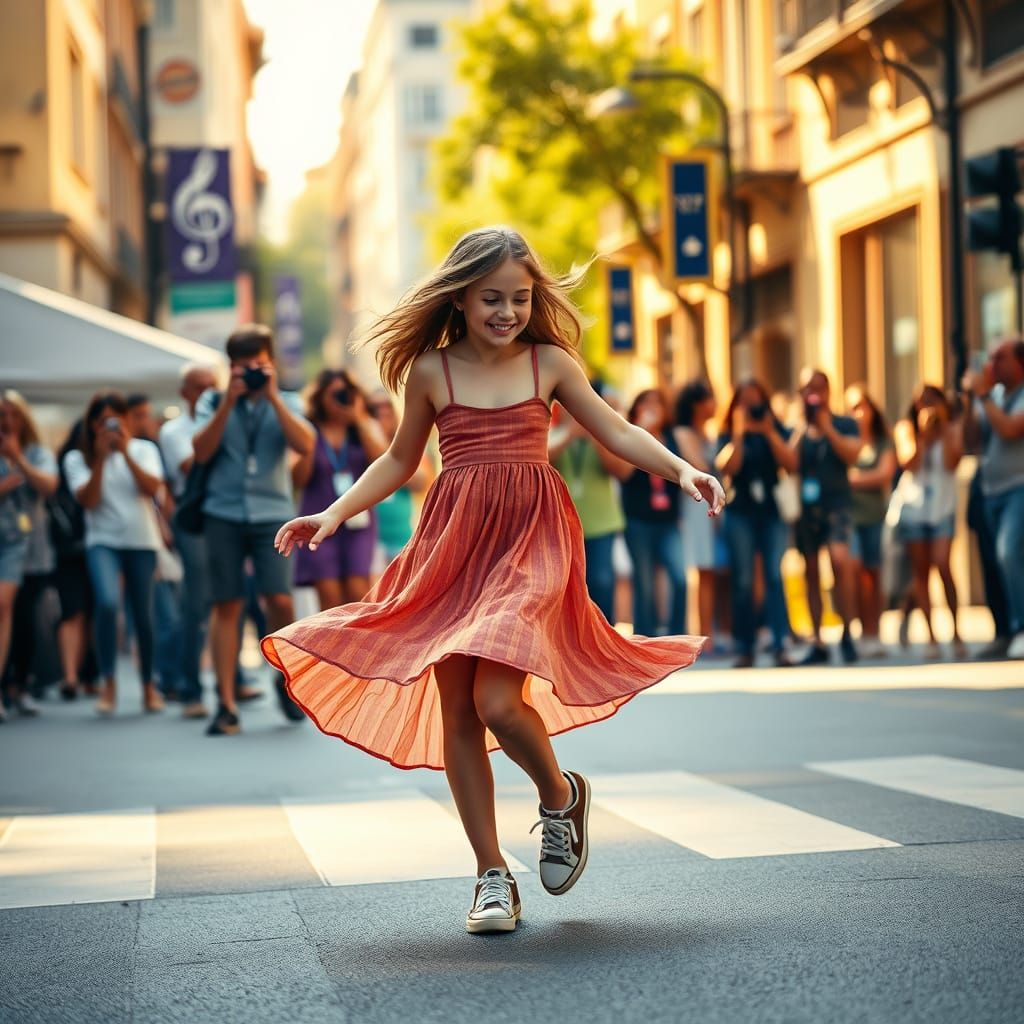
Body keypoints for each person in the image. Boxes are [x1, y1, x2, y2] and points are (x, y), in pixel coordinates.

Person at [262, 227, 724, 934]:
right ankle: (490, 875)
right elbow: (396, 460)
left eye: (518, 297)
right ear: (461, 297)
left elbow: (618, 431)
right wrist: (331, 513)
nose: (506, 311)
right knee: (458, 711)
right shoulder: (430, 371)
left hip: (533, 541)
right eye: (490, 299)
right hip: (453, 544)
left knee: (500, 703)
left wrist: (682, 469)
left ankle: (560, 796)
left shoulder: (550, 363)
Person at [191, 324, 316, 735]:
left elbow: (305, 445)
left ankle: (284, 679)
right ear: (231, 368)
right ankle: (225, 704)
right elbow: (201, 450)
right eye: (244, 367)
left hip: (271, 514)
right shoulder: (212, 402)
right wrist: (229, 401)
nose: (252, 373)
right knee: (225, 604)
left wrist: (273, 397)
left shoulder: (287, 401)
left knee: (279, 600)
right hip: (223, 513)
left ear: (272, 364)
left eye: (259, 365)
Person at [63, 392, 166, 715]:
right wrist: (101, 459)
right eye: (104, 421)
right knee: (106, 603)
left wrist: (124, 453)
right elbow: (88, 501)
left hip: (141, 541)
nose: (110, 427)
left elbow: (152, 489)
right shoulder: (77, 458)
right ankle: (109, 683)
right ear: (92, 425)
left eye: (116, 420)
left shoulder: (143, 449)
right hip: (102, 541)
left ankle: (149, 685)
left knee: (143, 616)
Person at [716, 379, 797, 668]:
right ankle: (745, 646)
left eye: (756, 401)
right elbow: (727, 466)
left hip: (771, 511)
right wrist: (739, 434)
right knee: (744, 579)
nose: (752, 408)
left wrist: (769, 432)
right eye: (745, 401)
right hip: (740, 512)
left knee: (775, 576)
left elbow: (791, 463)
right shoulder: (728, 431)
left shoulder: (774, 429)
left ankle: (780, 643)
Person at [292, 370, 388, 610]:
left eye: (347, 393)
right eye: (335, 394)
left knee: (358, 591)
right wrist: (310, 441)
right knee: (329, 595)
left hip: (357, 521)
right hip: (318, 519)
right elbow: (298, 479)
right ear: (321, 396)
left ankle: (357, 647)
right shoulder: (308, 429)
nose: (341, 399)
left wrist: (359, 419)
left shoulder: (364, 426)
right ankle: (331, 647)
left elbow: (385, 461)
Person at [158, 364, 219, 718]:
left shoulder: (225, 420)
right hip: (194, 518)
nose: (207, 393)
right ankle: (188, 685)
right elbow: (191, 466)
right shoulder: (173, 430)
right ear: (184, 392)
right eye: (199, 387)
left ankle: (233, 677)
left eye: (212, 386)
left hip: (225, 516)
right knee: (197, 602)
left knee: (231, 596)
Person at [792, 368, 863, 665]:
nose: (814, 394)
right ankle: (818, 640)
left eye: (819, 387)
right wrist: (802, 427)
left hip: (837, 505)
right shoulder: (796, 429)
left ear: (829, 391)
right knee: (810, 572)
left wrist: (827, 427)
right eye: (808, 388)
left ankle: (847, 633)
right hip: (806, 510)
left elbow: (853, 454)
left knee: (839, 562)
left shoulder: (844, 423)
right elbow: (789, 461)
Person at [890, 385, 964, 659]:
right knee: (921, 573)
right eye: (921, 403)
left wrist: (942, 431)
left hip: (942, 507)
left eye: (933, 402)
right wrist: (922, 436)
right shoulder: (906, 428)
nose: (928, 409)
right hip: (914, 509)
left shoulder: (952, 428)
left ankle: (956, 632)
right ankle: (931, 637)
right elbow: (909, 463)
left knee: (943, 564)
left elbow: (952, 463)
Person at [548, 380, 631, 624]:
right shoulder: (552, 435)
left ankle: (605, 639)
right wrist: (569, 435)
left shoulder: (601, 437)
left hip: (601, 524)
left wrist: (594, 431)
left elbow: (621, 471)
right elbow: (542, 459)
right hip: (561, 527)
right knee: (563, 589)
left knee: (602, 583)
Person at [963, 337, 1024, 659]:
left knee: (1009, 553)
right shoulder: (993, 396)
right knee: (991, 560)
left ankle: (1021, 628)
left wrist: (983, 395)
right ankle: (1003, 631)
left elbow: (1011, 429)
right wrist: (970, 400)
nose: (992, 364)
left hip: (1019, 488)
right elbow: (970, 441)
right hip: (989, 491)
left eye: (1000, 357)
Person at [0, 391, 58, 718]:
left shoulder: (36, 452)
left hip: (31, 547)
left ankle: (19, 685)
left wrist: (17, 458)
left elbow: (49, 486)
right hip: (5, 543)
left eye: (13, 414)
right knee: (3, 608)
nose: (7, 421)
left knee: (23, 618)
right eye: (2, 415)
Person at [621, 389, 689, 638]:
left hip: (668, 521)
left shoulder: (671, 437)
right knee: (645, 582)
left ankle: (679, 637)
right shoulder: (627, 435)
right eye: (645, 403)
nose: (651, 409)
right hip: (638, 520)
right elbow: (623, 473)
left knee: (680, 577)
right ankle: (645, 639)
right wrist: (639, 432)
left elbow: (685, 469)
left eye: (656, 404)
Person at [845, 385, 897, 659]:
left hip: (874, 516)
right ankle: (857, 631)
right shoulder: (845, 438)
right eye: (852, 408)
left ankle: (873, 633)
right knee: (853, 571)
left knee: (873, 575)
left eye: (862, 406)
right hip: (849, 518)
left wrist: (853, 480)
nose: (858, 414)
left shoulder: (882, 441)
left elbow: (884, 474)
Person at [673, 380, 723, 647]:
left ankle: (709, 633)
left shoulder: (708, 434)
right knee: (699, 569)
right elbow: (701, 469)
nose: (714, 403)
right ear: (696, 404)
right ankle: (701, 636)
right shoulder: (683, 434)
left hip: (710, 507)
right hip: (693, 508)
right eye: (709, 398)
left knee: (710, 571)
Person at [367, 388, 435, 569]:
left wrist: (390, 457)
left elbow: (421, 482)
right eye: (374, 408)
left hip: (403, 537)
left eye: (387, 406)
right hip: (369, 541)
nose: (382, 412)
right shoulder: (357, 444)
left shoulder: (411, 441)